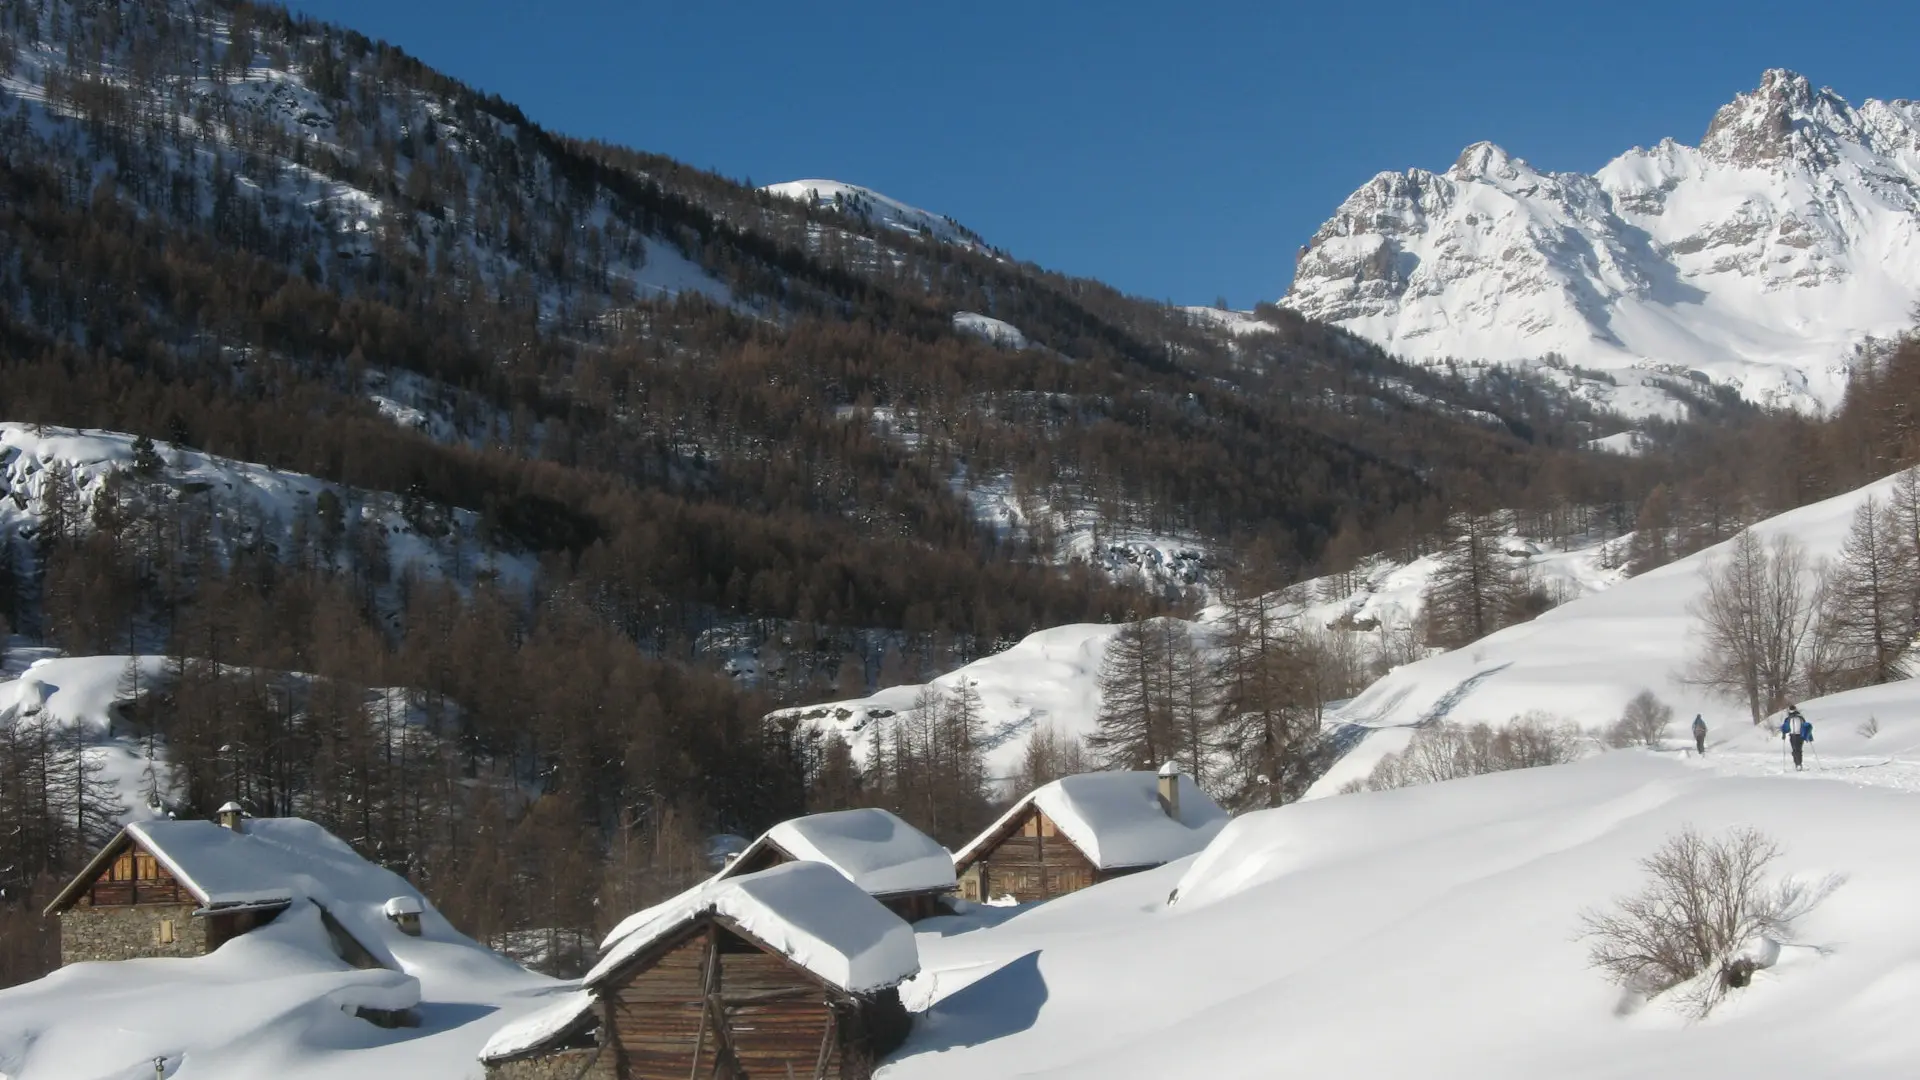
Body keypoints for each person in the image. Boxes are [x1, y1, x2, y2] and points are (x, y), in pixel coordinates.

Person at [1779, 705, 1813, 770]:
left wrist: (1809, 736)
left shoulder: (1795, 718)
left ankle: (1798, 764)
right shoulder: (1793, 718)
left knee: (1797, 750)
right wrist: (1783, 733)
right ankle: (1797, 763)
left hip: (1797, 735)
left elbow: (1805, 727)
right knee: (1796, 750)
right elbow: (1786, 727)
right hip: (1796, 736)